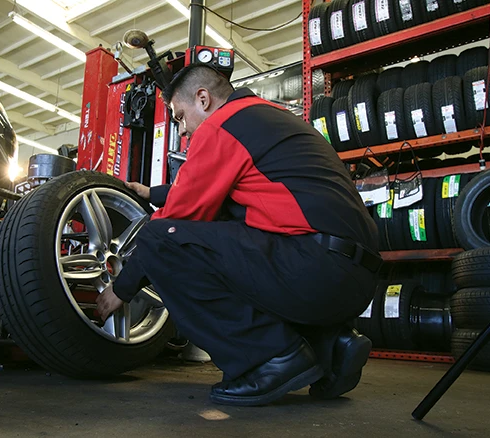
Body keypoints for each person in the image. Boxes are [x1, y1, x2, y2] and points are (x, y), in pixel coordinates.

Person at [96, 64, 381, 406]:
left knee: (159, 239)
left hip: (313, 267)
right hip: (353, 277)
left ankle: (269, 358)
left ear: (203, 99)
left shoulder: (220, 127)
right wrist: (154, 193)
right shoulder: (267, 116)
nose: (183, 131)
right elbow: (234, 192)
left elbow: (178, 220)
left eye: (181, 117)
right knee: (228, 233)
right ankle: (333, 346)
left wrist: (122, 287)